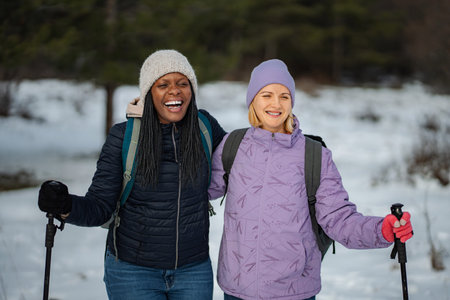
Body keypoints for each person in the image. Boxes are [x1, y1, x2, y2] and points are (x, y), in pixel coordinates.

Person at [208, 59, 413, 300]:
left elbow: (339, 219)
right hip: (237, 291)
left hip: (295, 292)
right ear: (253, 100)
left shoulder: (314, 156)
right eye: (266, 95)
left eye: (284, 96)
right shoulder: (233, 146)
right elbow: (194, 191)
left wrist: (382, 230)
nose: (276, 104)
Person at [38, 49, 226, 300]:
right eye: (163, 84)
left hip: (194, 271)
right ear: (149, 92)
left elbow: (244, 160)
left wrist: (282, 134)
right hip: (133, 273)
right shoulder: (124, 136)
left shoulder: (205, 127)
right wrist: (64, 205)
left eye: (183, 83)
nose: (175, 91)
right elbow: (100, 206)